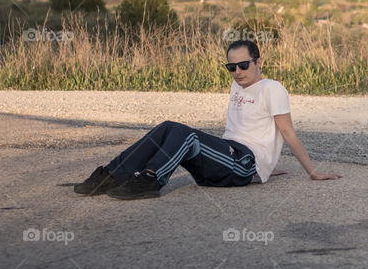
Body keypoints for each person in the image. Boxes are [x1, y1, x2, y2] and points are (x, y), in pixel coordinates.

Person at [73, 39, 341, 199]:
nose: (237, 72)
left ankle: (150, 179)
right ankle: (110, 175)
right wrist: (270, 166)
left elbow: (287, 132)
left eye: (244, 65)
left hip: (244, 162)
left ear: (259, 62)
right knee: (169, 127)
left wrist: (311, 172)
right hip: (227, 156)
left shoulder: (273, 89)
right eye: (231, 67)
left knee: (186, 134)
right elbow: (248, 128)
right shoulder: (238, 85)